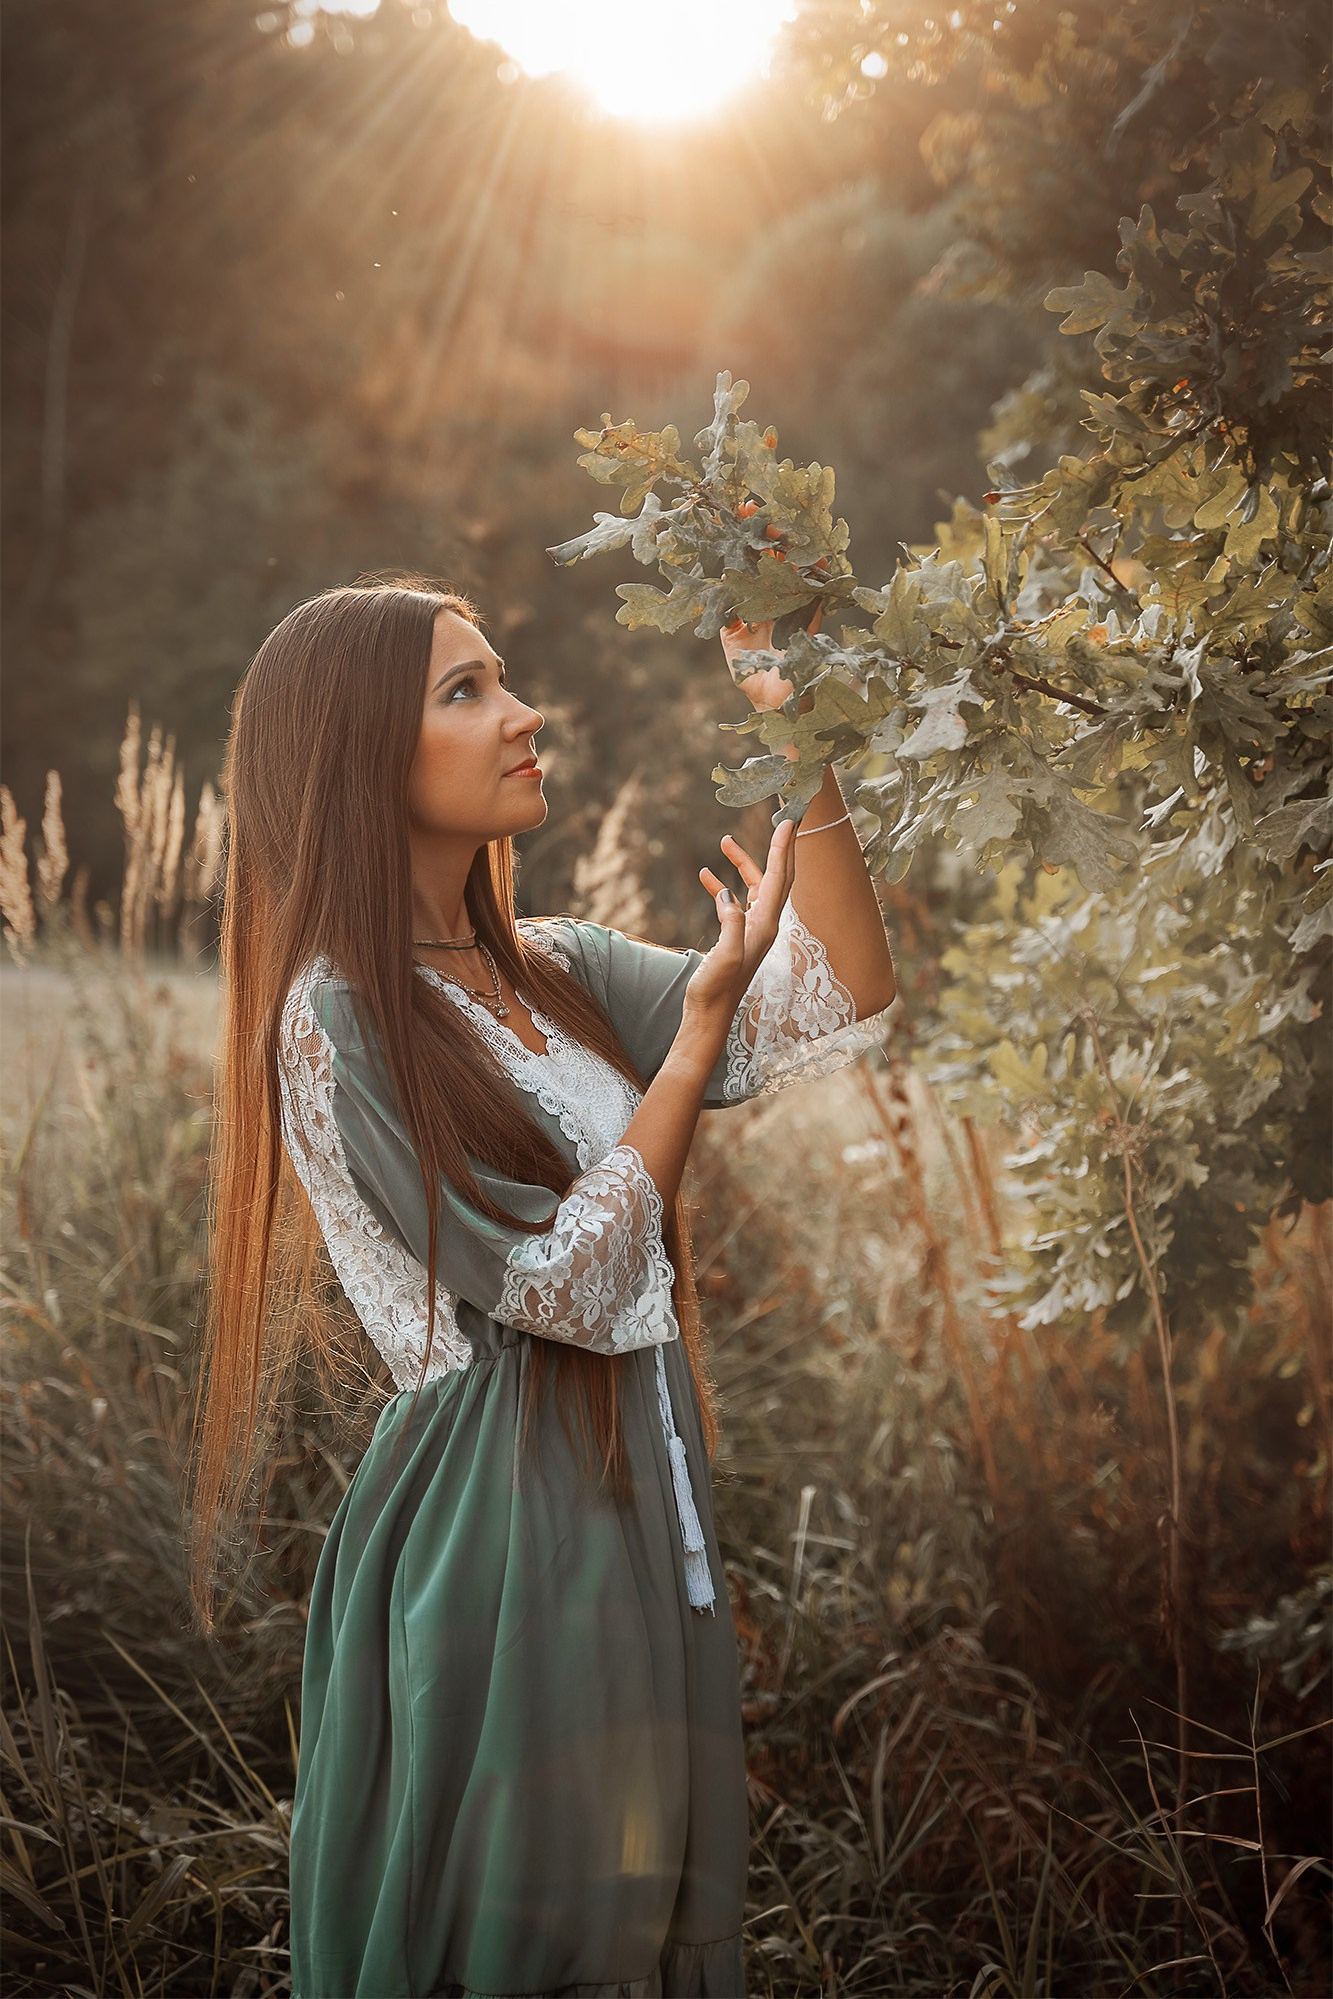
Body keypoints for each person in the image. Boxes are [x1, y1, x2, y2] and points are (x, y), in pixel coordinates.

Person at [188, 575, 898, 1999]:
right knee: (545, 1928)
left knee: (642, 1913)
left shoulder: (557, 969)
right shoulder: (334, 1014)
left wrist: (795, 731)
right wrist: (688, 1053)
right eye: (465, 691)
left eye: (500, 678)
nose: (522, 714)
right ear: (354, 754)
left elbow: (843, 996)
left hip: (635, 1483)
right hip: (502, 1520)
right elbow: (558, 1288)